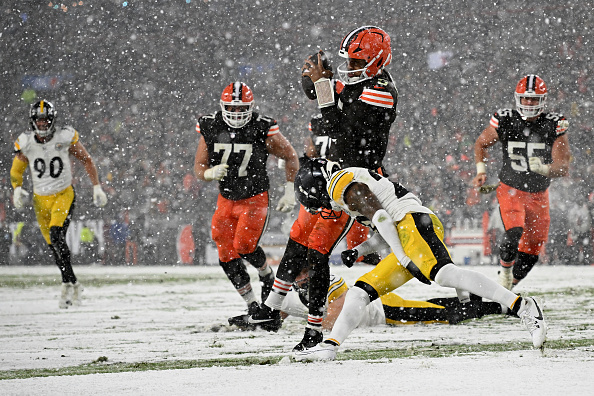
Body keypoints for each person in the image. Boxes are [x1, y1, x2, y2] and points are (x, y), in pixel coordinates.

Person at [291, 158, 547, 361]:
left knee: (445, 274)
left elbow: (382, 217)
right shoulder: (349, 181)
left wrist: (400, 255)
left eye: (312, 201)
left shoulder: (338, 184)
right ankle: (330, 346)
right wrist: (358, 251)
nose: (318, 207)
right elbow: (385, 226)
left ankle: (523, 306)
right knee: (359, 292)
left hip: (412, 223)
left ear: (315, 187)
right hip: (407, 229)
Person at [248, 26, 398, 351]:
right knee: (299, 239)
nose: (352, 68)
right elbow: (322, 98)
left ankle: (314, 331)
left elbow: (333, 125)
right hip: (336, 174)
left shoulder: (380, 91)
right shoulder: (362, 85)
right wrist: (318, 81)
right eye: (350, 61)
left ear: (377, 61)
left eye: (358, 62)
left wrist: (324, 86)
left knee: (317, 256)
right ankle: (274, 308)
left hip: (357, 182)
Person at [194, 81, 299, 315]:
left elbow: (290, 156)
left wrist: (290, 190)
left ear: (251, 107)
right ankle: (251, 304)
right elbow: (199, 167)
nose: (237, 114)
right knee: (224, 249)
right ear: (222, 107)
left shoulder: (261, 127)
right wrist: (209, 173)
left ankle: (266, 274)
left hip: (254, 197)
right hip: (226, 198)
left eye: (242, 109)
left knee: (244, 246)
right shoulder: (211, 126)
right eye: (231, 108)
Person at [473, 75, 571, 289]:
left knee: (532, 252)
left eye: (533, 99)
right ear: (517, 98)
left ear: (542, 100)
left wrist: (545, 169)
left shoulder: (554, 124)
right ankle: (505, 276)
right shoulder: (506, 119)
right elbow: (481, 143)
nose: (528, 103)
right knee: (513, 233)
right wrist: (481, 171)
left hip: (539, 194)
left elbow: (563, 167)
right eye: (525, 99)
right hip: (511, 189)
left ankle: (507, 289)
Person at [10, 99, 108, 308]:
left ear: (53, 120)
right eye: (40, 120)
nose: (43, 124)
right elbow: (16, 170)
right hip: (39, 200)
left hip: (63, 194)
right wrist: (17, 187)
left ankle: (66, 284)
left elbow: (86, 159)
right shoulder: (26, 142)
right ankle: (73, 282)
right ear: (33, 121)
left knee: (56, 235)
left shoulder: (65, 137)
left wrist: (96, 185)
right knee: (54, 247)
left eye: (46, 120)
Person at [229, 269, 510, 331]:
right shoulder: (290, 295)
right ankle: (479, 302)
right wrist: (252, 320)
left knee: (442, 315)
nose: (301, 278)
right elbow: (275, 319)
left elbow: (330, 322)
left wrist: (304, 317)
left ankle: (496, 306)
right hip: (383, 308)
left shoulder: (330, 283)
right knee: (435, 308)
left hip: (385, 311)